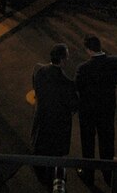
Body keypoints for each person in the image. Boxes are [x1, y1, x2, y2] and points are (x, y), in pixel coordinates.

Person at [75, 34, 117, 185]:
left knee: (88, 142)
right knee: (107, 141)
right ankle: (108, 175)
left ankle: (88, 173)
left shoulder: (83, 69)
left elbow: (78, 87)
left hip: (88, 111)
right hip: (107, 108)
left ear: (88, 50)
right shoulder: (116, 62)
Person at [31, 43, 78, 185]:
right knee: (56, 154)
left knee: (40, 147)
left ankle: (40, 174)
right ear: (62, 60)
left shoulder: (39, 70)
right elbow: (74, 105)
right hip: (59, 123)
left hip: (42, 117)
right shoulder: (67, 84)